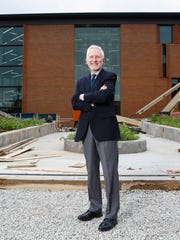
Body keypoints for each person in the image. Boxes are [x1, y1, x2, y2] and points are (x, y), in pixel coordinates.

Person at [71, 45, 120, 232]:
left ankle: (111, 215)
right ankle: (95, 207)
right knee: (92, 171)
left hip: (106, 129)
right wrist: (91, 98)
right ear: (86, 60)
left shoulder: (110, 76)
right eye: (91, 57)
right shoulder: (81, 80)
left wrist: (87, 97)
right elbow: (74, 102)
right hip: (87, 130)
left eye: (97, 57)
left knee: (110, 173)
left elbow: (105, 95)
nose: (94, 60)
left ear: (103, 59)